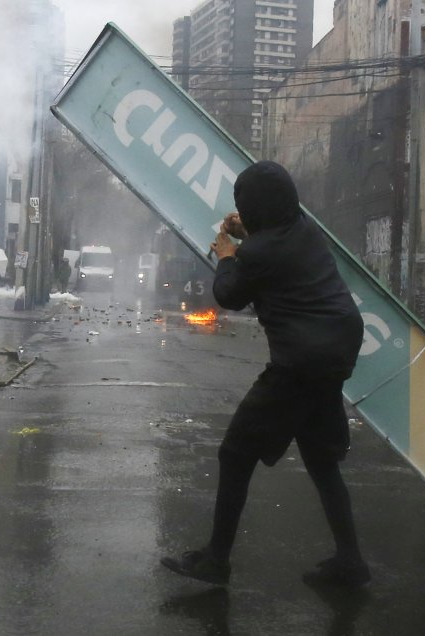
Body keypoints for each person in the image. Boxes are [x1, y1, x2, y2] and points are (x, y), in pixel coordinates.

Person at [161, 161, 369, 588]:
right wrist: (248, 236)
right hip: (337, 351)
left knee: (235, 454)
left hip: (299, 363)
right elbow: (272, 246)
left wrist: (225, 256)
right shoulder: (306, 229)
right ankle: (351, 561)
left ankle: (216, 561)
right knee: (320, 460)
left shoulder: (256, 253)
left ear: (252, 207)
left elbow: (229, 294)